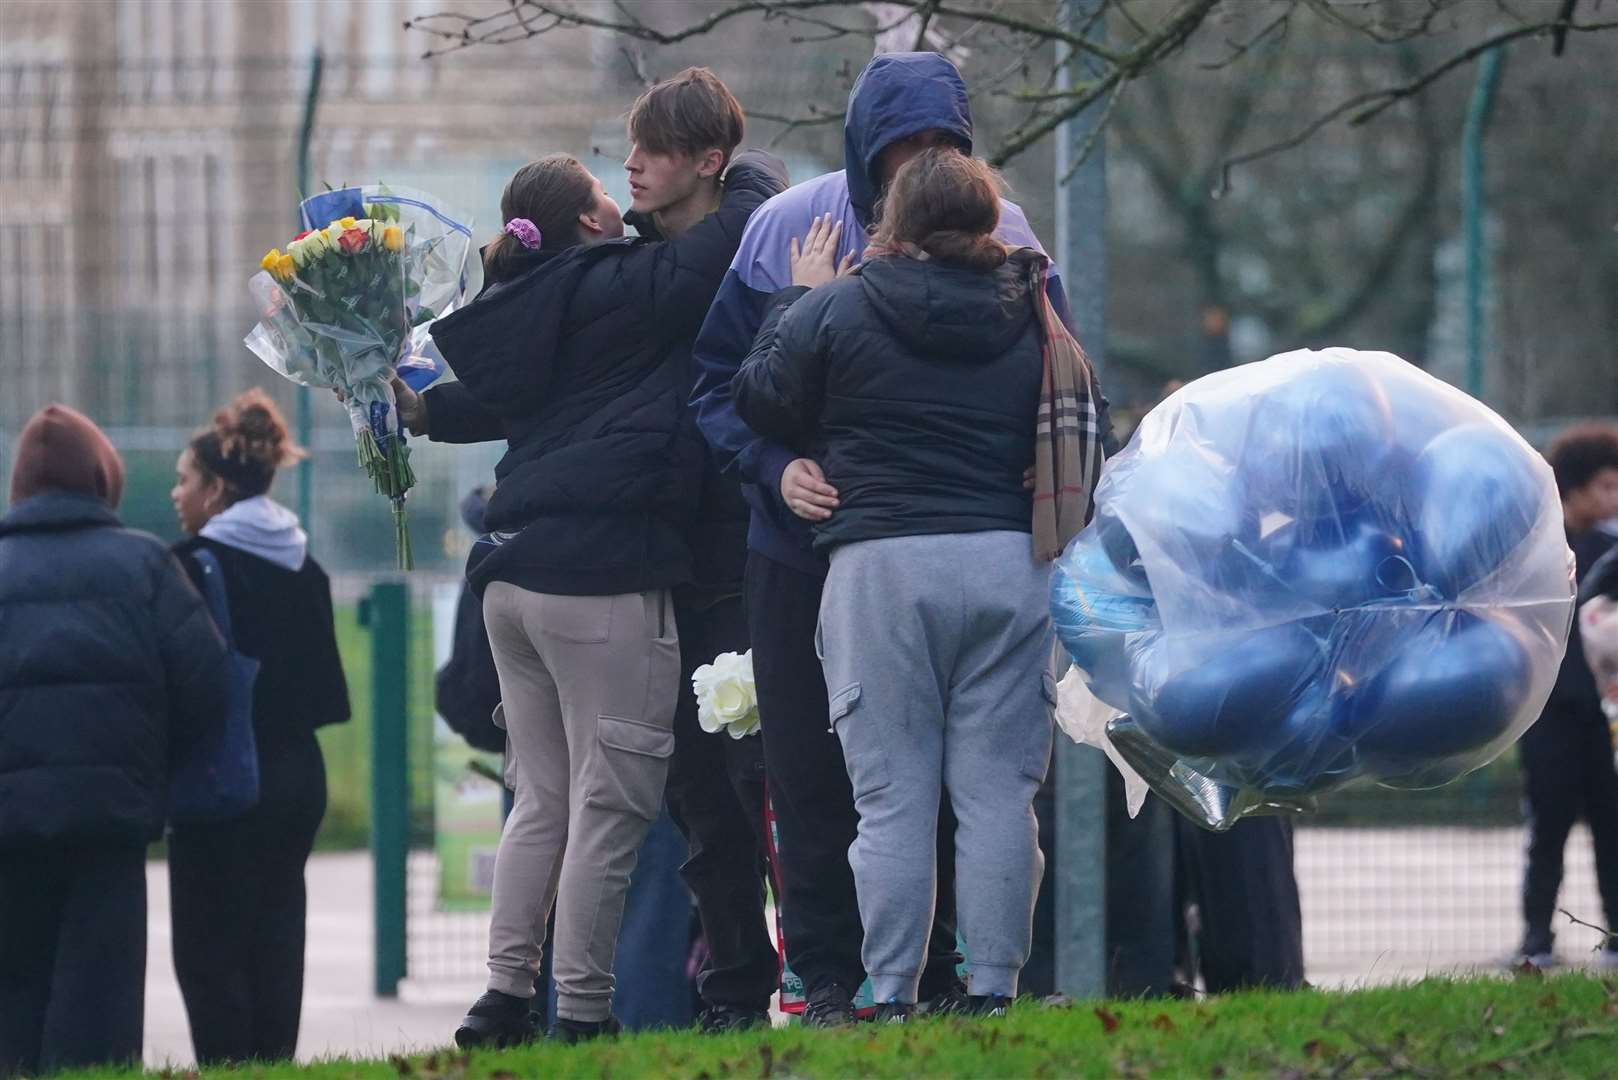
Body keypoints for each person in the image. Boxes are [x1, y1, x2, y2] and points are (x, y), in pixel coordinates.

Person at [692, 50, 1110, 1025]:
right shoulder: (788, 227)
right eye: (903, 145)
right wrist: (772, 468)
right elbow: (715, 392)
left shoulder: (987, 253)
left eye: (936, 147)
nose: (918, 162)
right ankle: (883, 981)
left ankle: (889, 989)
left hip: (871, 559)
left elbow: (756, 380)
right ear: (865, 151)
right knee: (824, 778)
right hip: (834, 547)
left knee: (889, 791)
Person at [414, 68, 787, 1045]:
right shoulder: (627, 284)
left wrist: (415, 408)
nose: (624, 185)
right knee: (611, 804)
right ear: (588, 225)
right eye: (606, 188)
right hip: (601, 577)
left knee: (536, 801)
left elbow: (496, 403)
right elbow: (711, 254)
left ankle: (501, 1002)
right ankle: (579, 1013)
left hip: (510, 576)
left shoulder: (537, 303)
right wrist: (749, 184)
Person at [0, 405, 230, 1076]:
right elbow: (205, 685)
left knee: (14, 998)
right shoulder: (145, 565)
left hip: (7, 829)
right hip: (111, 824)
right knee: (97, 1008)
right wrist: (149, 765)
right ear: (103, 478)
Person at [166, 389, 350, 1064]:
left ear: (216, 490)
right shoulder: (306, 564)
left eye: (185, 481)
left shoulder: (190, 567)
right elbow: (327, 694)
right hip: (299, 778)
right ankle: (274, 1066)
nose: (176, 496)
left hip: (223, 784)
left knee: (211, 953)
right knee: (278, 937)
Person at [1516, 424, 1618, 970]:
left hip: (1607, 715)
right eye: (1605, 485)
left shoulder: (1613, 552)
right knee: (1548, 827)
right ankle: (1536, 938)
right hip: (1549, 713)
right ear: (1574, 487)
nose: (1613, 497)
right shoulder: (1539, 548)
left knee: (1612, 825)